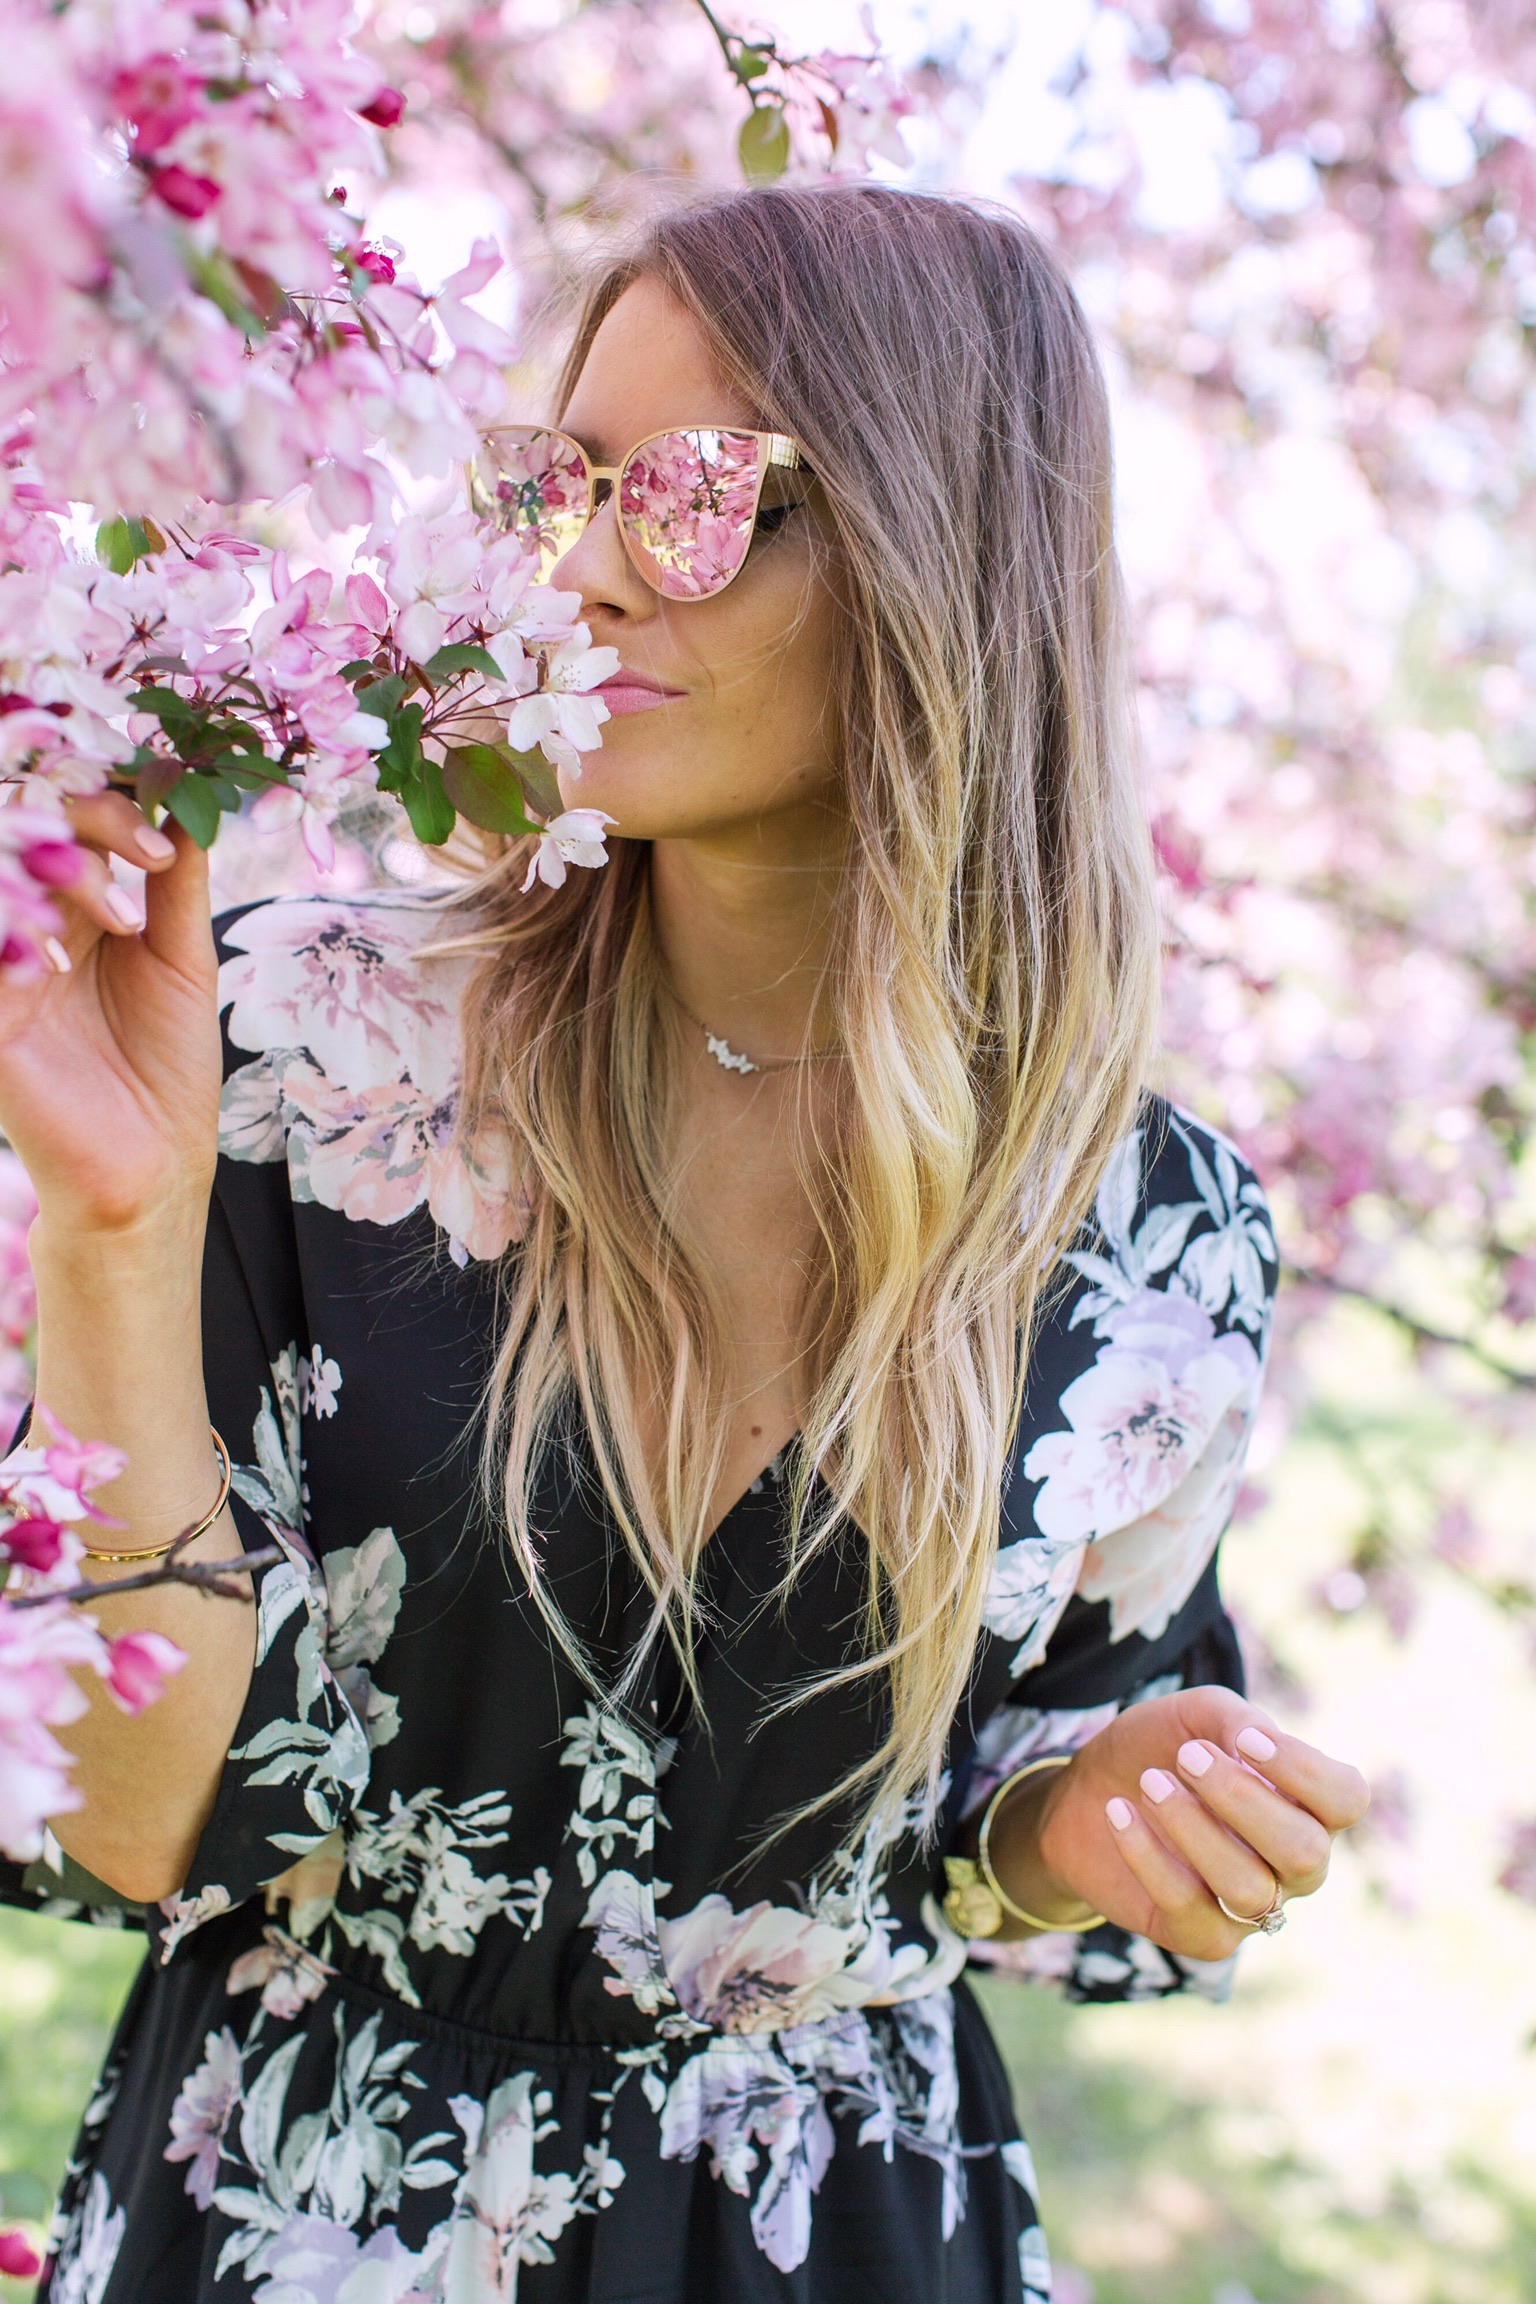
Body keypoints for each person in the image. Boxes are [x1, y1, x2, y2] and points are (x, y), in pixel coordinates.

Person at [0, 183, 1366, 2303]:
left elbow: (1021, 1795)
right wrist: (109, 1232)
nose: (584, 569)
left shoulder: (1151, 1235)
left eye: (702, 497)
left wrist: (1080, 1823)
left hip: (843, 2236)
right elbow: (141, 1820)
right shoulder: (292, 1063)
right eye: (561, 486)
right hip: (303, 2214)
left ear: (939, 554)